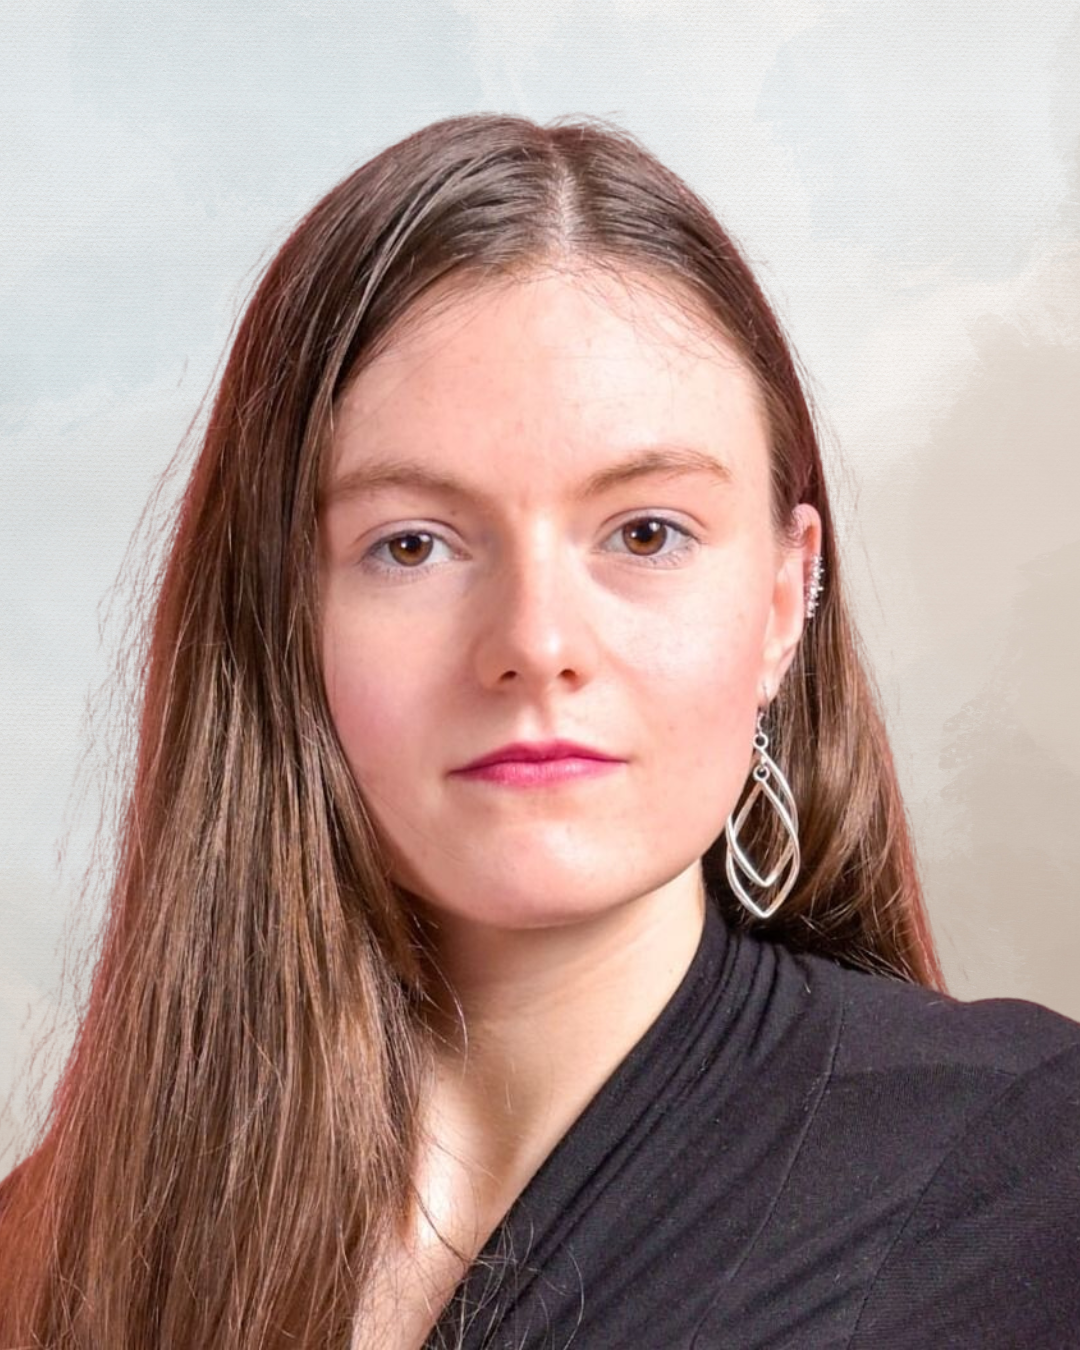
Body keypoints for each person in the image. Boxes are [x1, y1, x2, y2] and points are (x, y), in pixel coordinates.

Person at [0, 112, 1077, 1350]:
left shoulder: (1031, 1180)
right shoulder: (51, 1257)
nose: (536, 641)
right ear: (283, 615)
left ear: (785, 600)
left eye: (645, 533)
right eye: (412, 545)